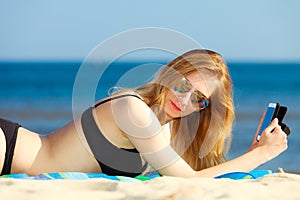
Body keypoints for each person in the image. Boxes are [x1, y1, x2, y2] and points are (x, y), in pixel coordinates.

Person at [0, 49, 288, 177]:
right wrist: (261, 156)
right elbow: (186, 182)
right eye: (183, 84)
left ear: (203, 109)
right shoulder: (136, 111)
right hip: (9, 149)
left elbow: (198, 176)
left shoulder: (163, 125)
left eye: (198, 99)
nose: (183, 98)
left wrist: (251, 152)